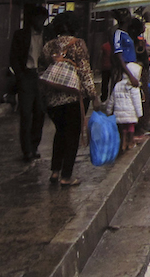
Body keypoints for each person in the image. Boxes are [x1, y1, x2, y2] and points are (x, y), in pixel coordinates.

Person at [39, 12, 96, 186]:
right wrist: (94, 95)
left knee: (60, 133)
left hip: (53, 99)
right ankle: (66, 175)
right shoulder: (78, 45)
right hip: (74, 98)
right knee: (72, 136)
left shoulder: (49, 46)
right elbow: (85, 72)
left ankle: (55, 171)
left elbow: (42, 68)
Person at [9, 2, 47, 162]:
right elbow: (13, 57)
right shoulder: (21, 35)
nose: (41, 22)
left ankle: (34, 145)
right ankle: (27, 150)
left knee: (40, 112)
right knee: (25, 114)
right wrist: (20, 75)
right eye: (39, 19)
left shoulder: (48, 35)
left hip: (42, 77)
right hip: (26, 76)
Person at [111, 61, 143, 152]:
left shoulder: (117, 85)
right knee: (130, 127)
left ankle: (124, 143)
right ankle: (131, 142)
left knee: (124, 128)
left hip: (119, 113)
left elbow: (112, 99)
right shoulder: (134, 87)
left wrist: (109, 110)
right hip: (131, 113)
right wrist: (139, 114)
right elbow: (137, 102)